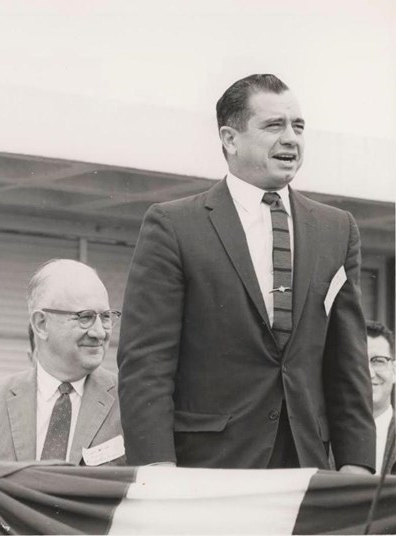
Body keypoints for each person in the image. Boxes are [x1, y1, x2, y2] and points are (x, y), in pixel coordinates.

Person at [117, 74, 375, 472]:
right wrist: (156, 470)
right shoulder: (173, 226)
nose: (291, 138)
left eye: (298, 126)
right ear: (230, 138)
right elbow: (146, 363)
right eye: (274, 125)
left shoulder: (337, 229)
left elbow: (349, 361)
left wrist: (357, 466)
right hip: (206, 470)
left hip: (306, 467)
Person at [0, 259, 125, 465]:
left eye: (105, 317)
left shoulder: (130, 402)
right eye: (84, 317)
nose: (99, 332)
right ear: (41, 324)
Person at [367, 321, 396, 474]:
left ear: (394, 370)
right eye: (357, 362)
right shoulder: (323, 438)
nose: (369, 373)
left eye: (378, 361)